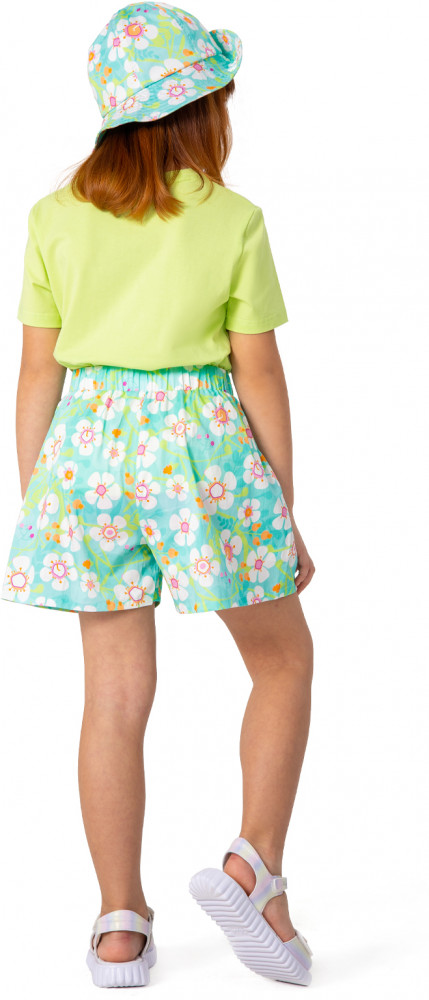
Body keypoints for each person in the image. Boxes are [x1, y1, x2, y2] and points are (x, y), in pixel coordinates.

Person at [1, 2, 316, 989]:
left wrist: (40, 500)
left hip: (86, 454)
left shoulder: (53, 216)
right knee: (283, 660)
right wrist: (281, 511)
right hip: (200, 446)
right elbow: (258, 372)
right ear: (198, 108)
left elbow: (37, 371)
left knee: (111, 695)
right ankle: (255, 867)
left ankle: (118, 923)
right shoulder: (231, 218)